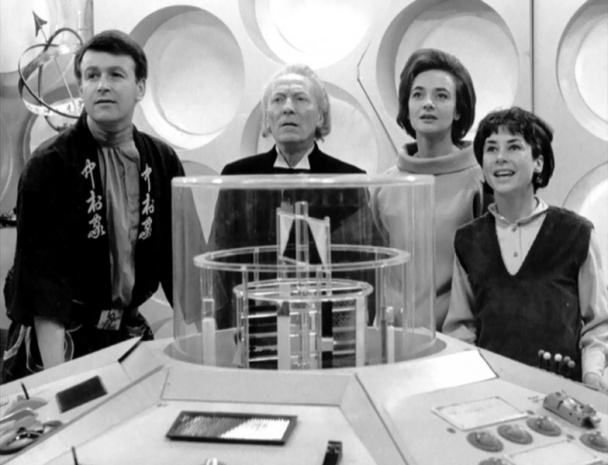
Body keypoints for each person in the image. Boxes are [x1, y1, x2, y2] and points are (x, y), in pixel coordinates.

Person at [1, 30, 189, 382]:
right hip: (60, 342)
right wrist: (58, 383)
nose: (102, 85)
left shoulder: (162, 160)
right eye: (92, 75)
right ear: (81, 86)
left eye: (116, 74)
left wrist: (196, 349)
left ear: (140, 87)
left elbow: (181, 270)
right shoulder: (49, 165)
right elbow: (44, 285)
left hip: (127, 336)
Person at [443, 107, 608, 391]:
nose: (500, 157)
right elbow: (461, 329)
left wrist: (592, 377)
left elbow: (598, 326)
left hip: (565, 395)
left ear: (538, 163)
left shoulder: (577, 234)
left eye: (514, 146)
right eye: (491, 148)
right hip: (493, 393)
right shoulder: (468, 240)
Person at [211, 64, 381, 335]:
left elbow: (362, 269)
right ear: (267, 118)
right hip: (255, 325)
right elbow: (221, 264)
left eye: (300, 98)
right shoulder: (238, 177)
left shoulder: (348, 180)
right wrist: (226, 331)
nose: (288, 108)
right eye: (278, 100)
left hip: (329, 328)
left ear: (321, 116)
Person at [371, 48, 486, 331]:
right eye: (418, 95)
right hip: (394, 337)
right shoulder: (384, 185)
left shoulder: (482, 181)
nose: (428, 104)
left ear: (459, 110)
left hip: (459, 338)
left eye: (441, 96)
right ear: (407, 106)